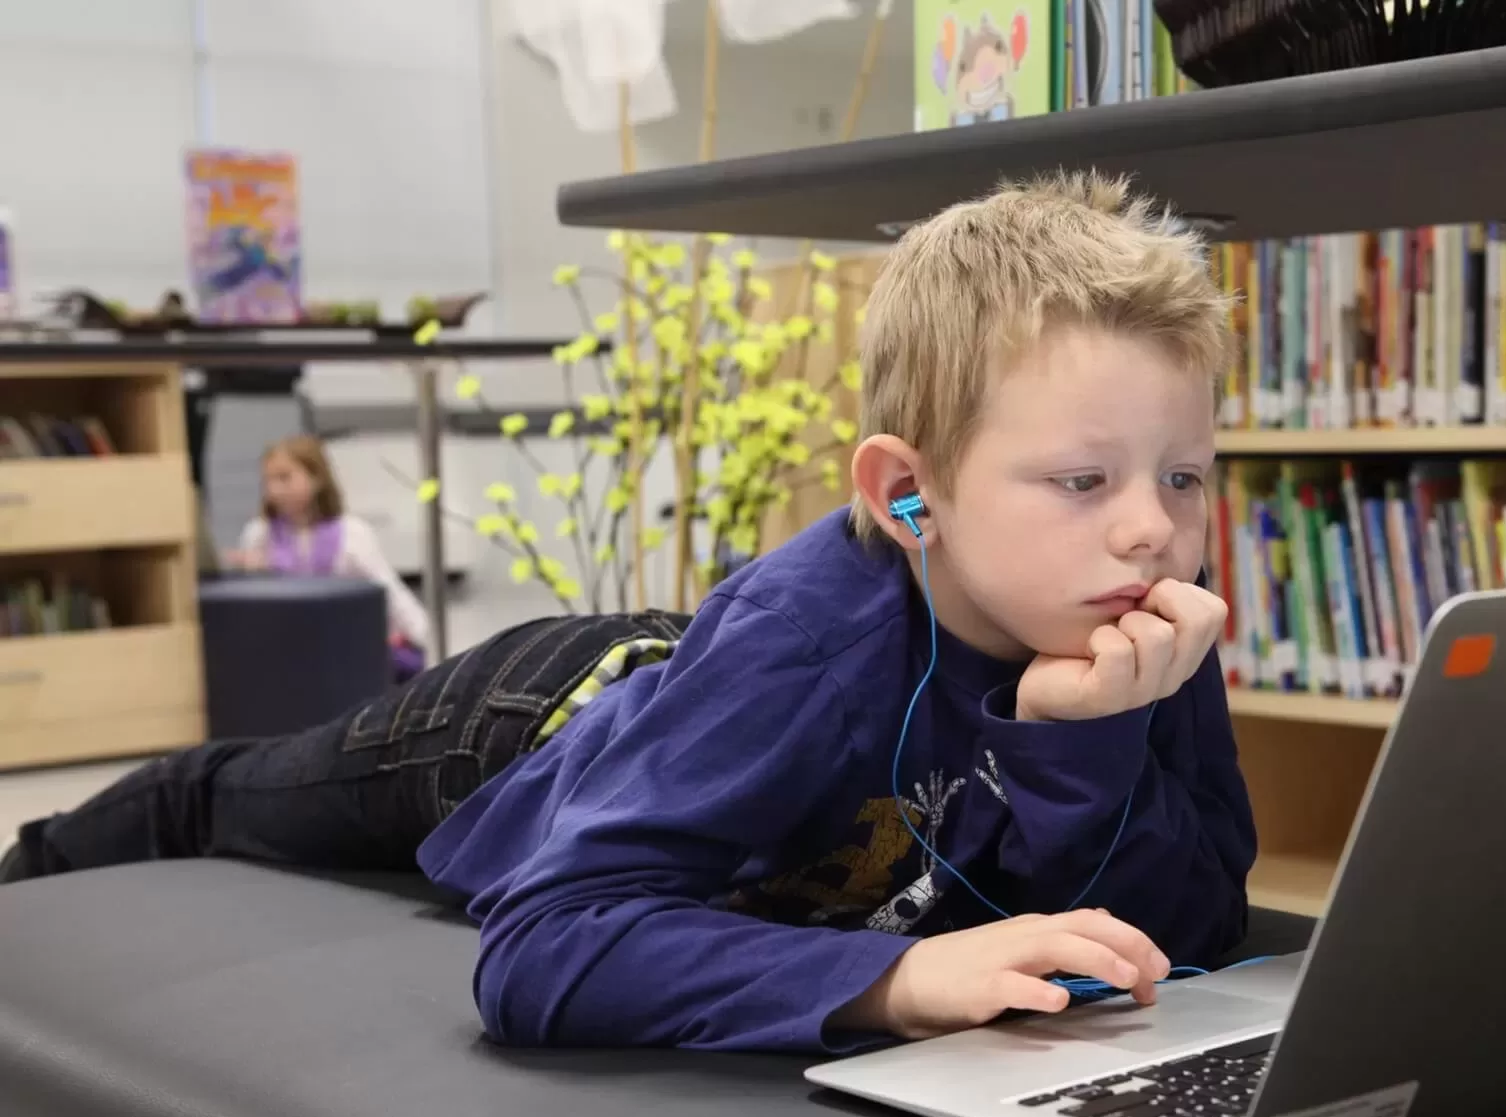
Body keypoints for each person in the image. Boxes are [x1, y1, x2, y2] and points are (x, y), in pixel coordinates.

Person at [1, 171, 1256, 1054]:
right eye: (1081, 480)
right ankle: (28, 868)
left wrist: (1080, 740)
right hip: (539, 721)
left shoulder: (1140, 620)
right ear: (905, 492)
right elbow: (540, 947)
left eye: (1184, 475)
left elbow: (1187, 929)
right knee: (230, 801)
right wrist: (896, 980)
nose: (1150, 525)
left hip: (704, 704)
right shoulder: (807, 650)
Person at [226, 433, 433, 679]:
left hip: (343, 652)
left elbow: (389, 591)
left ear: (316, 479)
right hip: (282, 652)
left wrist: (425, 639)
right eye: (268, 481)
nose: (275, 489)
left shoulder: (352, 534)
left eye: (285, 478)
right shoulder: (259, 534)